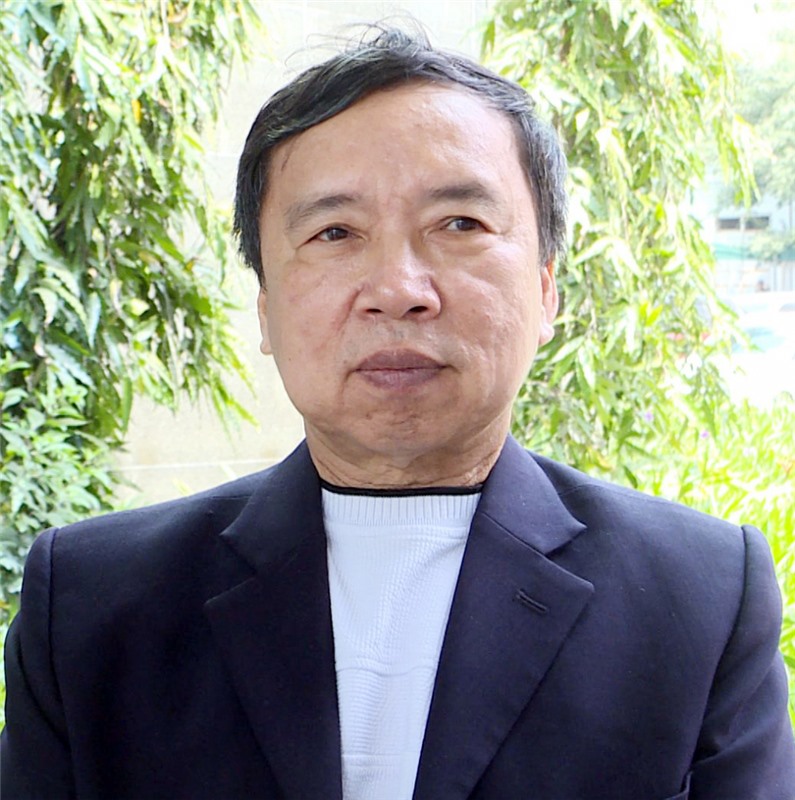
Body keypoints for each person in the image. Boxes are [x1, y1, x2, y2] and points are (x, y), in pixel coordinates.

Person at [2, 24, 794, 800]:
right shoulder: (91, 606)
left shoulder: (698, 596)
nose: (397, 289)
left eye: (459, 224)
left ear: (545, 289)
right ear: (266, 307)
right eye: (334, 232)